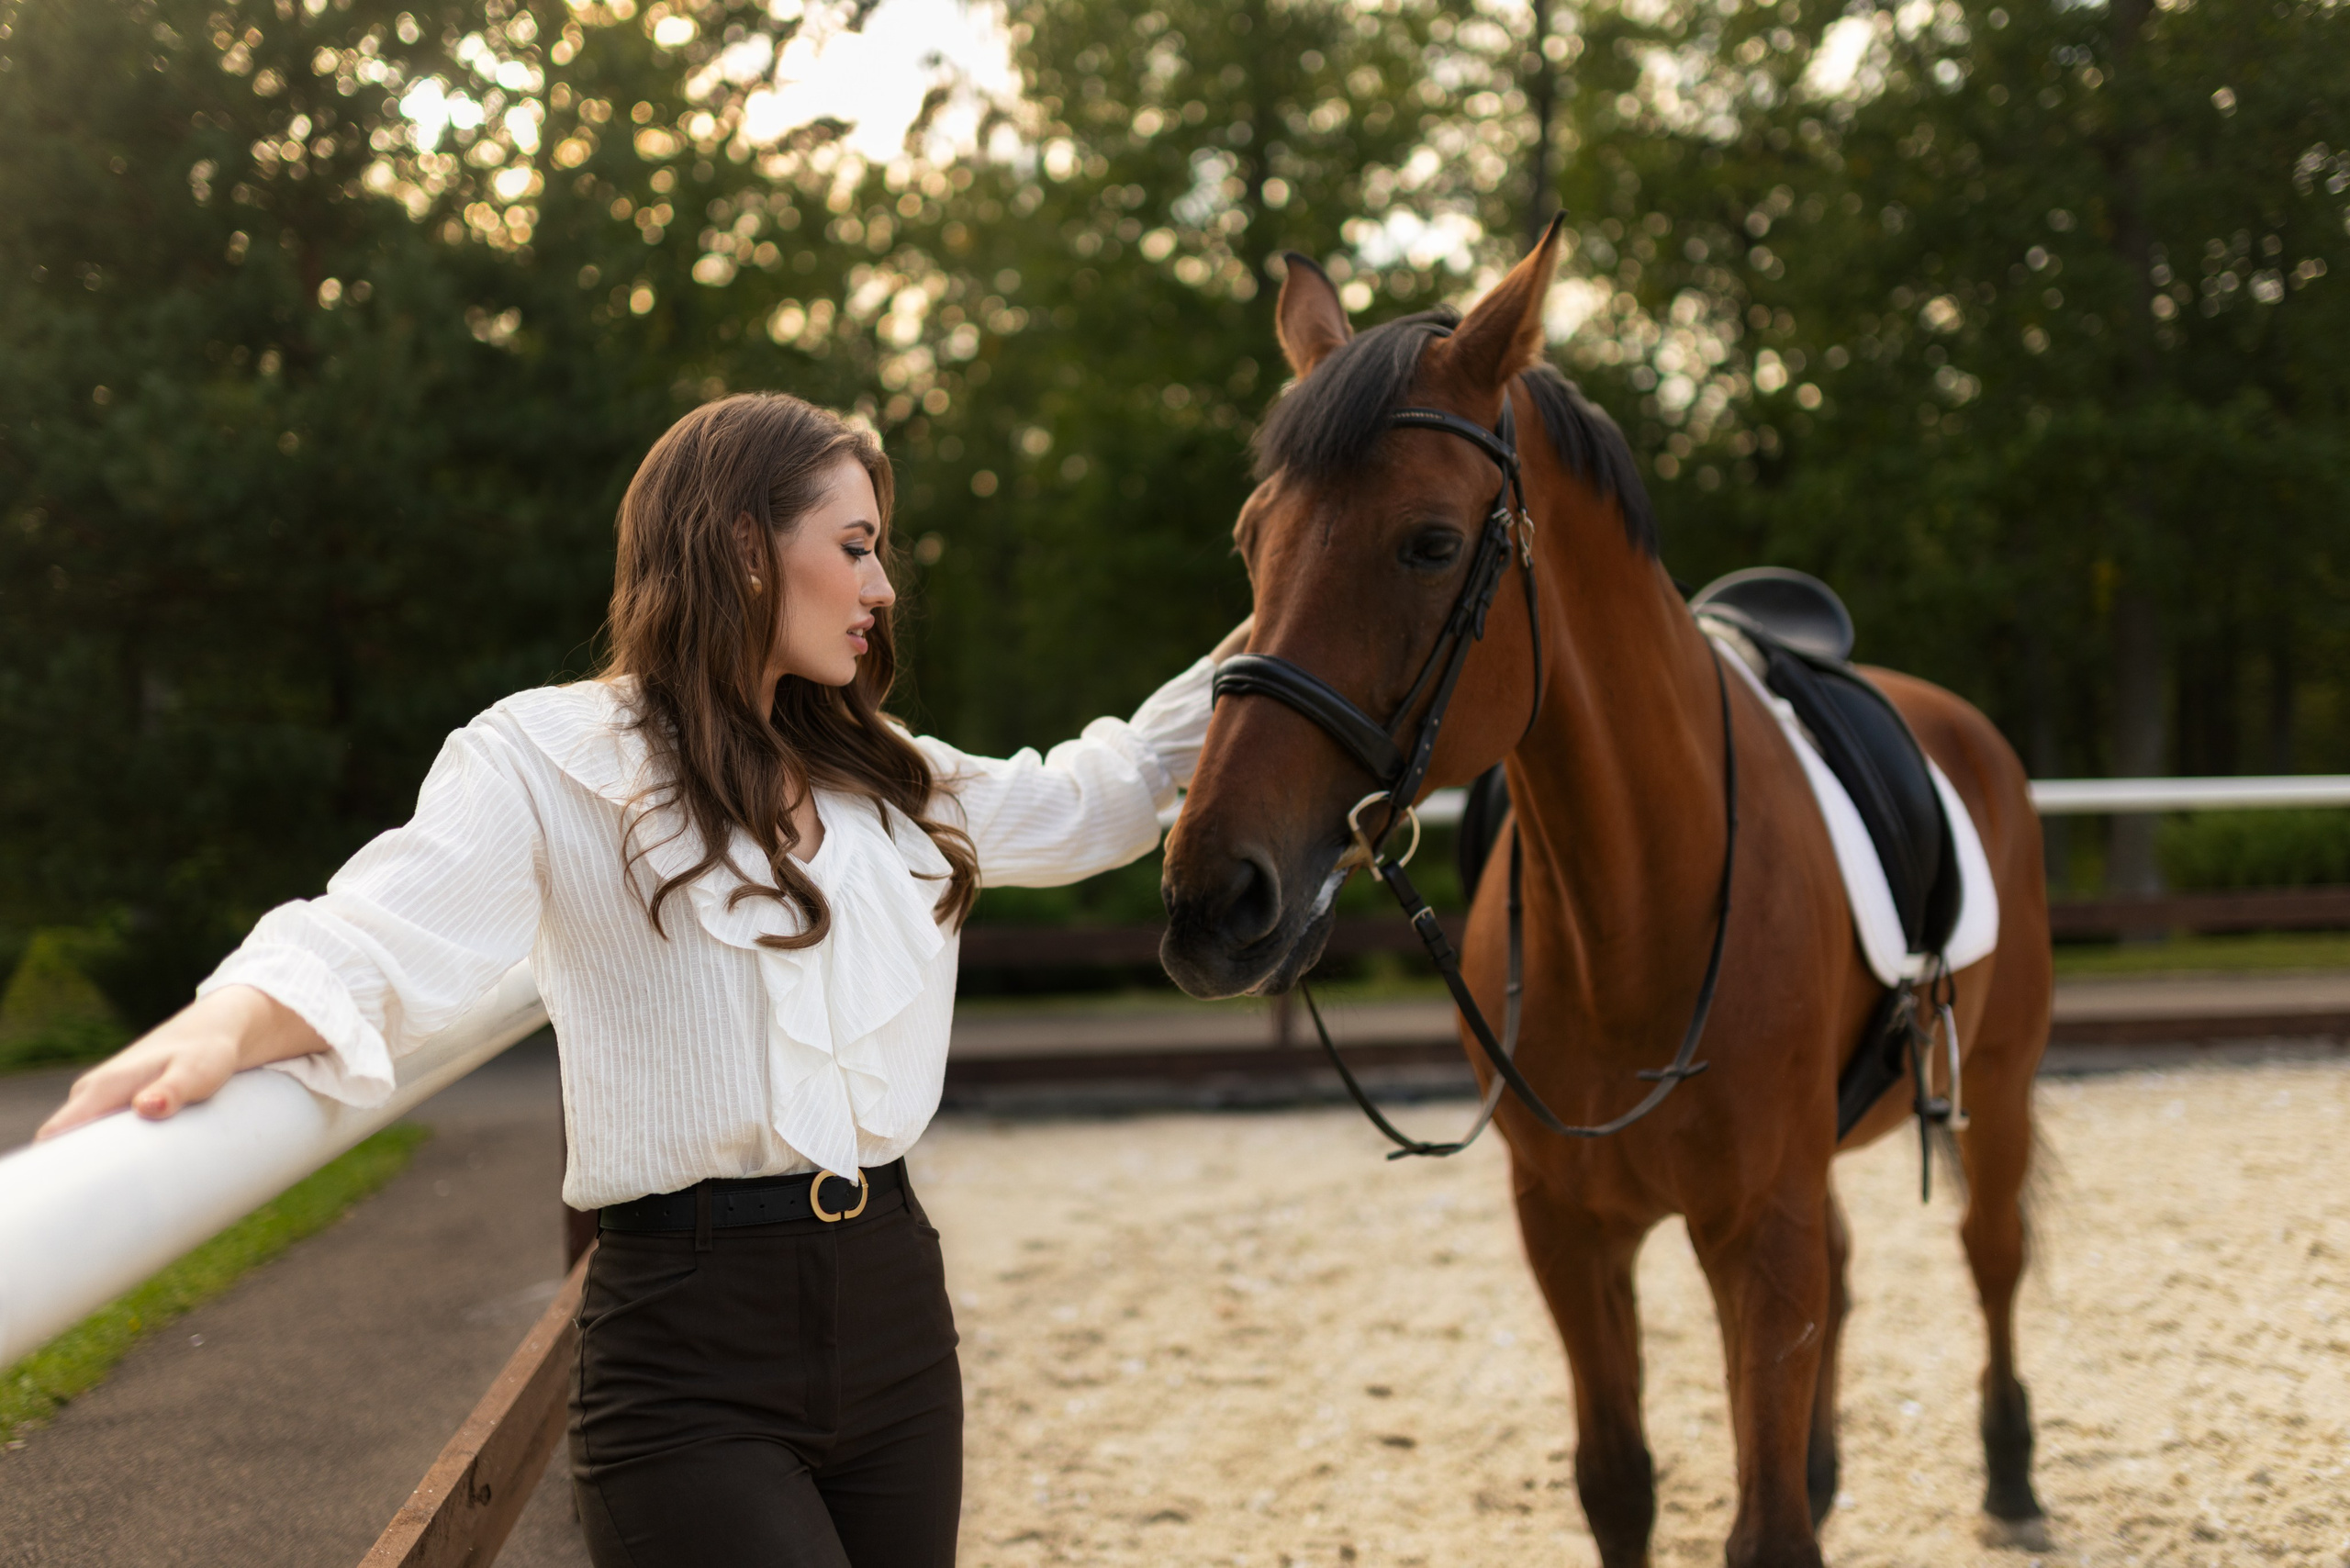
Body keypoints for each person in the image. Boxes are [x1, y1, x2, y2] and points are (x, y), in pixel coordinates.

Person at [38, 392, 1244, 1568]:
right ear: (742, 548)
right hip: (687, 1352)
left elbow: (1105, 789)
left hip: (896, 1315)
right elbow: (382, 928)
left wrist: (1295, 621)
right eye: (857, 547)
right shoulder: (546, 757)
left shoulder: (884, 779)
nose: (883, 589)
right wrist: (228, 1019)